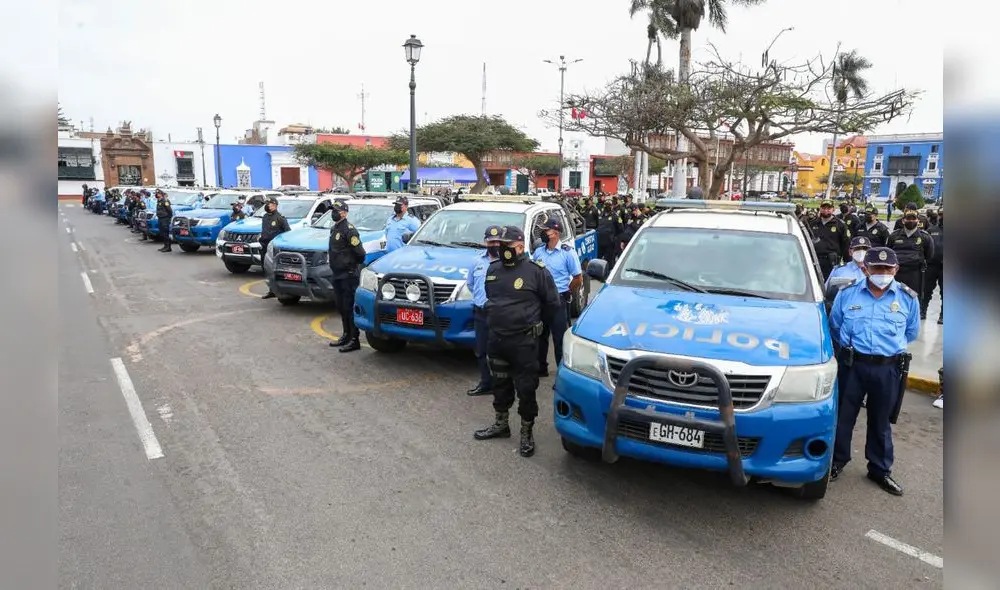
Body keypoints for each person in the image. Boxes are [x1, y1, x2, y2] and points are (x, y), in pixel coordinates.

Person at [829, 247, 920, 496]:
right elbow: (835, 326)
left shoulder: (907, 298)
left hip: (887, 368)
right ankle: (836, 462)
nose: (882, 273)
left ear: (896, 270)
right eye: (877, 268)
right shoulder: (847, 294)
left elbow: (911, 333)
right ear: (866, 269)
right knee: (843, 417)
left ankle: (880, 470)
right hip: (852, 365)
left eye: (887, 269)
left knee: (881, 421)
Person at [474, 225, 560, 457]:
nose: (500, 249)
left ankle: (526, 432)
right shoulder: (493, 270)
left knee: (526, 388)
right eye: (499, 245)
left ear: (520, 246)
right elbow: (492, 300)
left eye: (506, 245)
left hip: (524, 343)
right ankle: (501, 424)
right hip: (497, 340)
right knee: (499, 385)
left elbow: (552, 305)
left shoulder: (536, 271)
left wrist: (537, 330)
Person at [531, 218, 583, 377]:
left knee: (560, 339)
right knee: (540, 336)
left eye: (546, 230)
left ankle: (561, 373)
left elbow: (578, 278)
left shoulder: (567, 253)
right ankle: (541, 368)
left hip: (558, 300)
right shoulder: (539, 251)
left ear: (555, 233)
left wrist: (567, 291)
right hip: (540, 300)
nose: (543, 233)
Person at [466, 225, 503, 396]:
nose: (494, 244)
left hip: (500, 315)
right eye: (491, 241)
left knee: (501, 352)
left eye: (497, 241)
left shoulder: (507, 261)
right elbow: (471, 285)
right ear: (485, 242)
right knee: (481, 350)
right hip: (480, 312)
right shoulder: (476, 261)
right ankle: (485, 383)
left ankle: (502, 385)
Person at [326, 201, 367, 353]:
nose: (333, 213)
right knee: (341, 307)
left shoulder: (350, 230)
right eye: (333, 210)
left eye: (336, 210)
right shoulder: (334, 228)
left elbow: (361, 254)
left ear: (344, 213)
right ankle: (346, 334)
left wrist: (350, 265)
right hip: (337, 274)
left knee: (349, 308)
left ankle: (354, 339)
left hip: (348, 275)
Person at [888, 211, 934, 317]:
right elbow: (889, 252)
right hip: (896, 273)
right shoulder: (894, 236)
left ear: (918, 220)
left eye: (913, 219)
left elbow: (929, 255)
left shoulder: (925, 237)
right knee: (894, 297)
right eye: (908, 219)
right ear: (903, 220)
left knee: (913, 298)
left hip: (915, 274)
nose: (911, 221)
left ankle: (911, 319)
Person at [259, 196, 292, 300]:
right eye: (266, 204)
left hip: (274, 248)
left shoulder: (280, 218)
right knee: (266, 269)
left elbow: (287, 232)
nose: (267, 206)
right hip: (265, 246)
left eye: (269, 204)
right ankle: (271, 290)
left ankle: (280, 290)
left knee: (275, 270)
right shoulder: (265, 217)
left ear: (274, 205)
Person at [808, 200, 850, 280]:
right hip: (814, 260)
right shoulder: (813, 223)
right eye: (823, 208)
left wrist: (847, 265)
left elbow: (846, 246)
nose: (826, 210)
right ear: (820, 209)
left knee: (829, 287)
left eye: (828, 208)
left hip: (831, 262)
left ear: (833, 209)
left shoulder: (840, 225)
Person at [923, 209, 943, 324]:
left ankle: (943, 315)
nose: (942, 217)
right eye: (940, 214)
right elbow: (925, 246)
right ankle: (923, 310)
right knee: (926, 289)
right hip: (931, 265)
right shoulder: (931, 230)